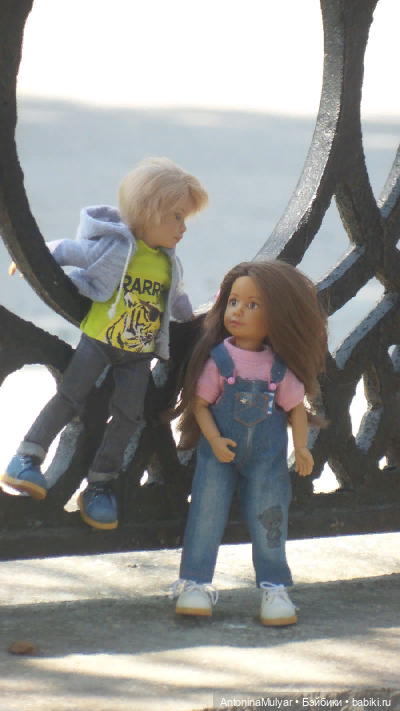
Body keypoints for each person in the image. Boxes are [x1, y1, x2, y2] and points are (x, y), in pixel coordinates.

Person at [1, 157, 208, 530]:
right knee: (70, 398)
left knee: (129, 417)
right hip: (98, 341)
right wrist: (32, 259)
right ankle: (27, 457)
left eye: (185, 219)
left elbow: (177, 299)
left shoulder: (168, 265)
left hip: (138, 355)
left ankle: (100, 485)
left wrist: (192, 321)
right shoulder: (118, 248)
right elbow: (72, 250)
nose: (183, 228)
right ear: (149, 210)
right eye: (176, 217)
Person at [169, 260, 328, 626]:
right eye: (233, 302)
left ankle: (274, 587)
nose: (238, 311)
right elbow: (200, 405)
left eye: (252, 305)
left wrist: (301, 447)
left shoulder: (277, 367)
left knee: (270, 518)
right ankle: (195, 583)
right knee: (205, 514)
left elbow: (296, 408)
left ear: (278, 318)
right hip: (218, 456)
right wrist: (213, 439)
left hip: (267, 460)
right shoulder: (219, 360)